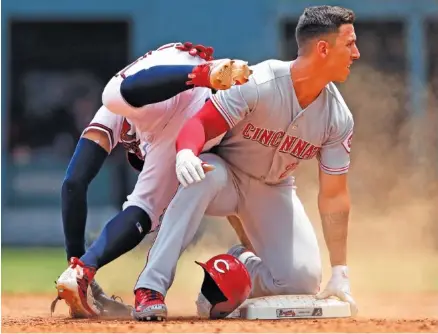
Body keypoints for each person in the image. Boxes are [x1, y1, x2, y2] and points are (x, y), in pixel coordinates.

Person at [130, 5, 361, 321]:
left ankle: (235, 266)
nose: (356, 53)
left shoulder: (337, 117)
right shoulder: (260, 82)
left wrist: (340, 269)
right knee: (202, 176)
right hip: (225, 174)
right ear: (323, 48)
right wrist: (186, 152)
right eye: (350, 43)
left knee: (301, 281)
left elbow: (334, 195)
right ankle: (150, 288)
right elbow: (200, 124)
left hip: (274, 188)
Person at [54, 41, 252, 318]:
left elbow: (73, 183)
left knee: (113, 98)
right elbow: (73, 184)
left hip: (186, 81)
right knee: (115, 98)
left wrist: (74, 261)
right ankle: (82, 270)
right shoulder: (134, 123)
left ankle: (82, 271)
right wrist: (78, 264)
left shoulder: (112, 115)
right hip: (184, 80)